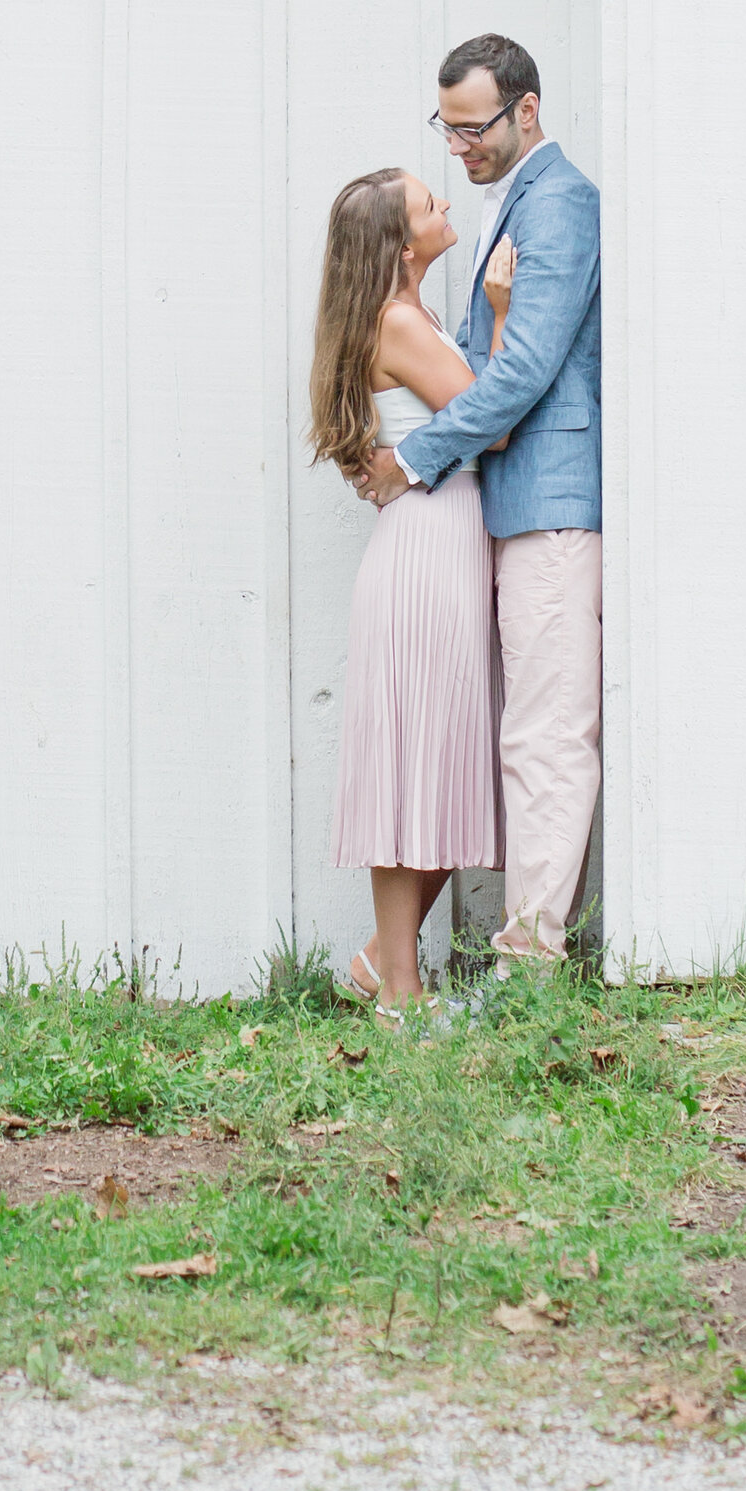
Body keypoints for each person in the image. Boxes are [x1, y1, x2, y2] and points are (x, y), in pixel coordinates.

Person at [353, 32, 602, 968]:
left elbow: (528, 367)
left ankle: (530, 959)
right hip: (504, 508)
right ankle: (405, 955)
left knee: (544, 733)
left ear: (526, 110)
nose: (459, 148)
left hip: (549, 501)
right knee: (513, 731)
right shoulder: (514, 206)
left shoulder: (561, 203)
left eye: (473, 128)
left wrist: (411, 457)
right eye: (446, 129)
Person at [308, 166, 503, 1016]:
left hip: (434, 542)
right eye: (430, 204)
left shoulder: (405, 316)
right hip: (428, 553)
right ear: (399, 243)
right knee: (420, 763)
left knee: (439, 761)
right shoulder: (397, 321)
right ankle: (401, 990)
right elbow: (488, 420)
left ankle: (379, 972)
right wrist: (500, 314)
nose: (446, 206)